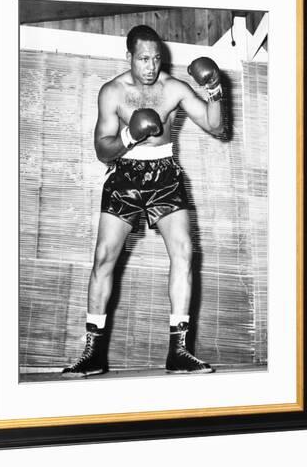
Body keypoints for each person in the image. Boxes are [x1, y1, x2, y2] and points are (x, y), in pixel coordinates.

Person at [62, 25, 224, 378]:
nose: (151, 66)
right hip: (125, 175)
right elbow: (102, 151)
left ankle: (179, 350)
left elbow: (216, 127)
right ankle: (93, 352)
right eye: (144, 59)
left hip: (165, 175)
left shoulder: (174, 88)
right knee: (104, 256)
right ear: (130, 57)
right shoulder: (112, 92)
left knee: (184, 251)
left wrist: (214, 91)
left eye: (157, 59)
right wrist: (128, 134)